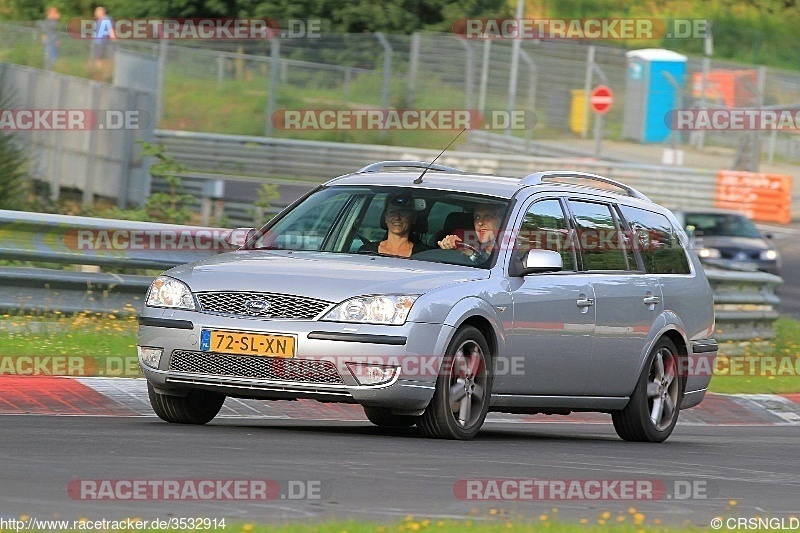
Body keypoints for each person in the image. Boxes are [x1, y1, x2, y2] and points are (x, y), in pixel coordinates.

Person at [359, 196, 429, 257]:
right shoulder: (366, 251)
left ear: (413, 218)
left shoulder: (424, 254)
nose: (397, 218)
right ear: (386, 218)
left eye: (403, 212)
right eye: (392, 212)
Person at [437, 204, 503, 262]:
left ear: (502, 219)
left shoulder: (510, 256)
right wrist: (450, 248)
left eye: (488, 216)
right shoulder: (469, 245)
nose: (480, 222)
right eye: (476, 217)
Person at [89, 6, 116, 81]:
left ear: (102, 12)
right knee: (98, 58)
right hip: (97, 42)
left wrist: (114, 40)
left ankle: (109, 74)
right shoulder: (98, 20)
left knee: (111, 58)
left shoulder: (107, 19)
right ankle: (99, 73)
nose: (95, 13)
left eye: (96, 11)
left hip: (104, 42)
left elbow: (111, 30)